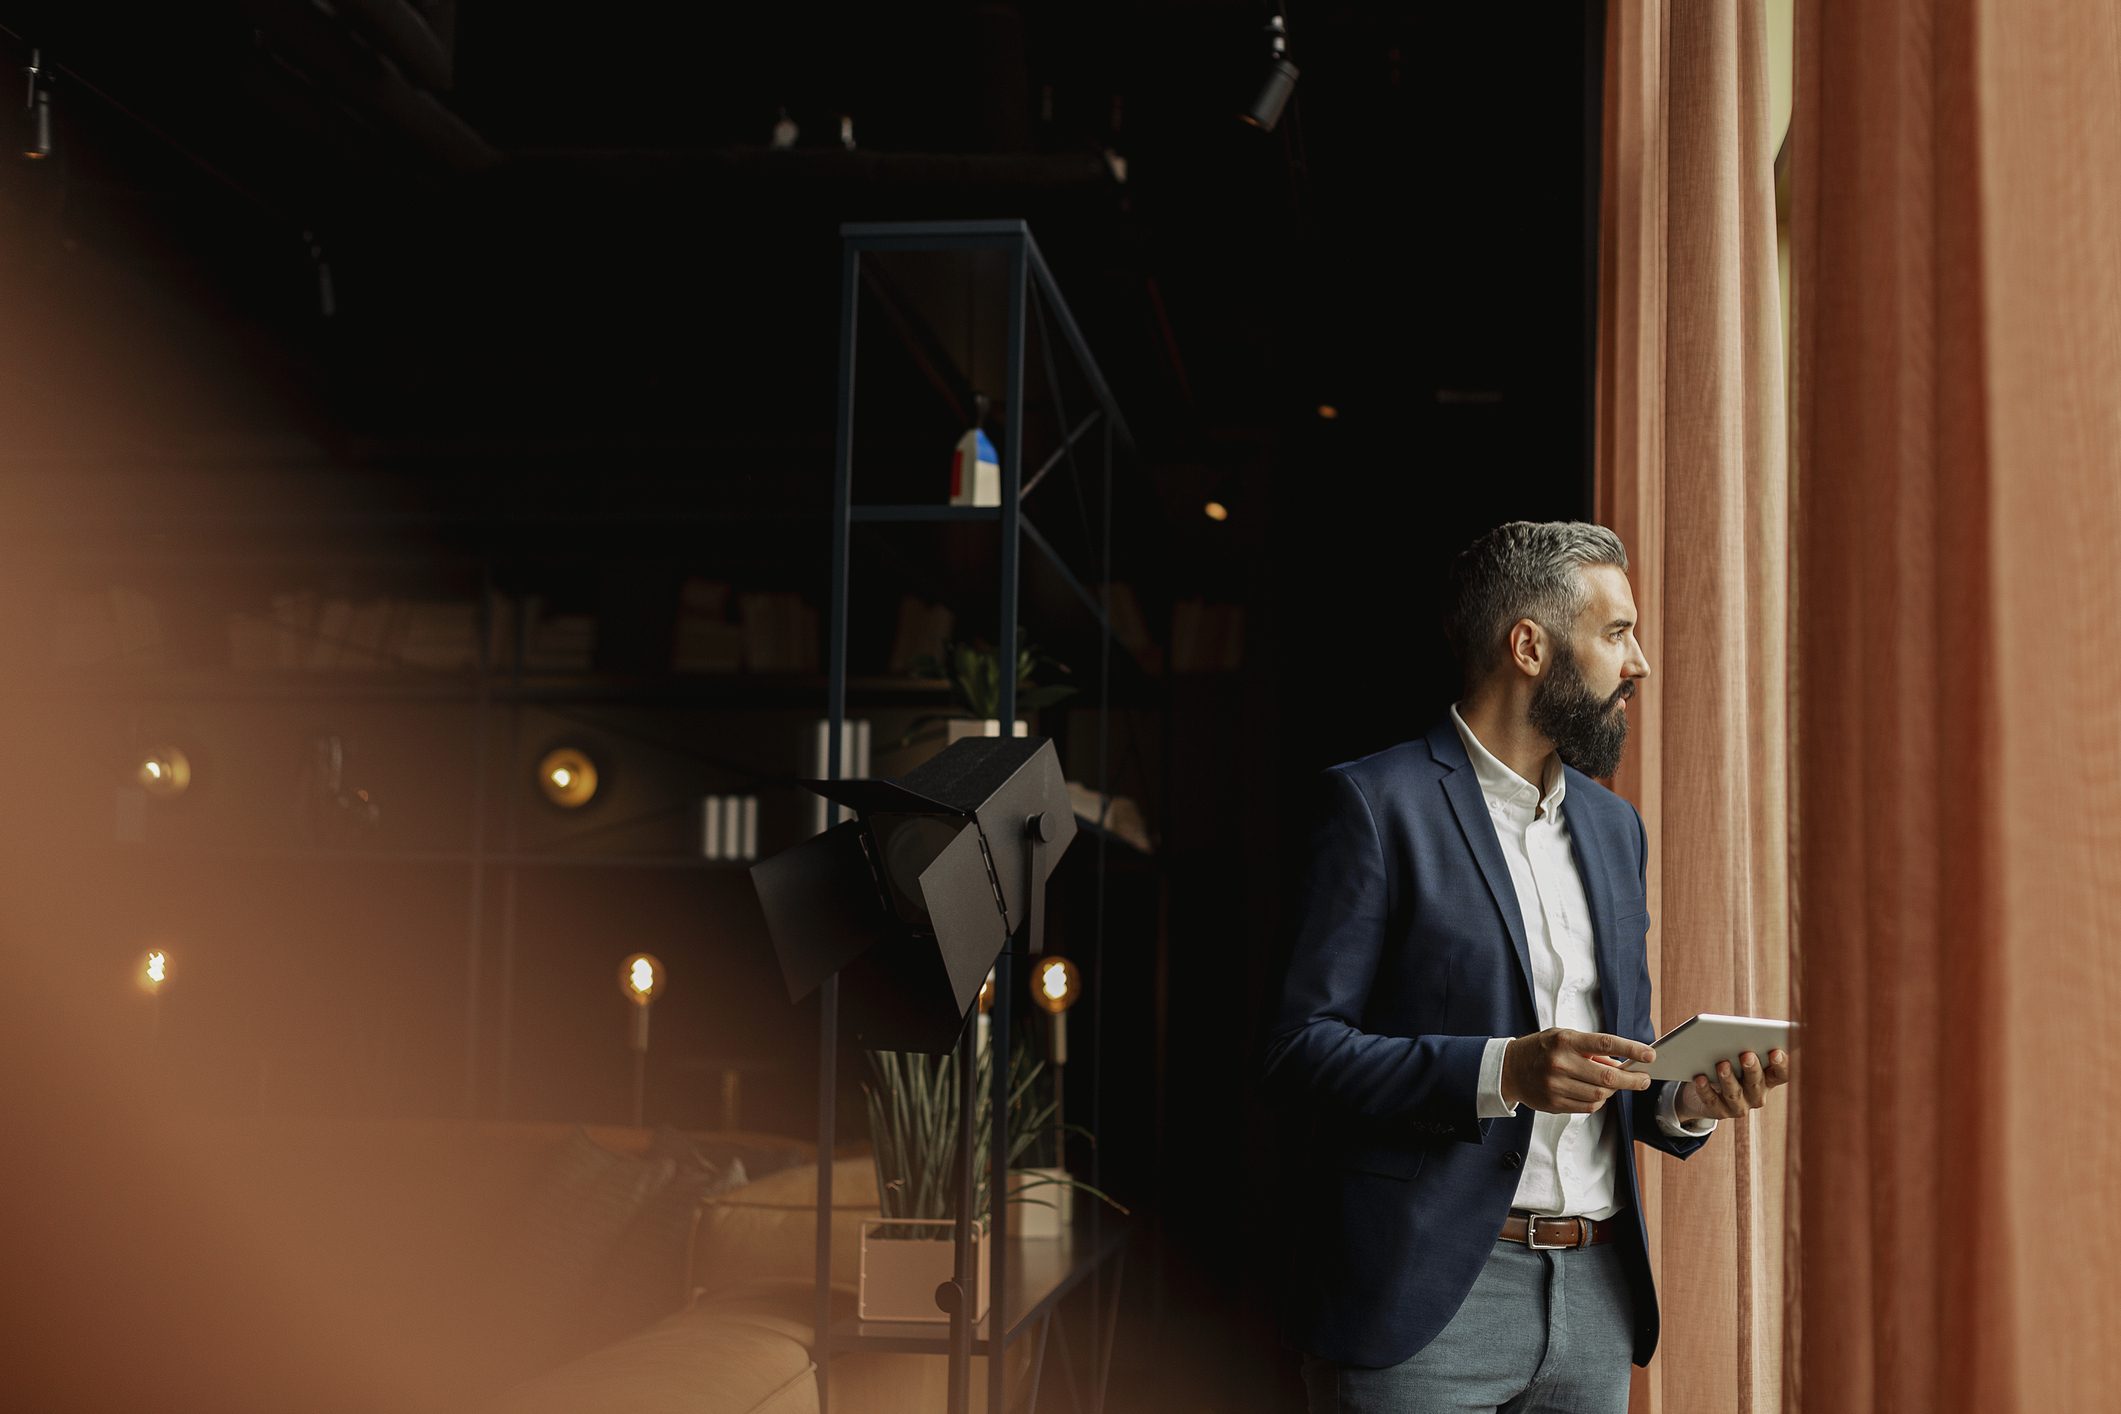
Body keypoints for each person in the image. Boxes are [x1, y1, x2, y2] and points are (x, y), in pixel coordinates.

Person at [1263, 520, 1791, 1413]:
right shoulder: (1371, 804)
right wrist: (1500, 1069)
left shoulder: (1613, 827)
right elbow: (1298, 1051)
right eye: (1616, 633)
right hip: (1423, 1305)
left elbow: (1614, 1058)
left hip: (1595, 1300)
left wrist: (1681, 1098)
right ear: (1529, 646)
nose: (1640, 665)